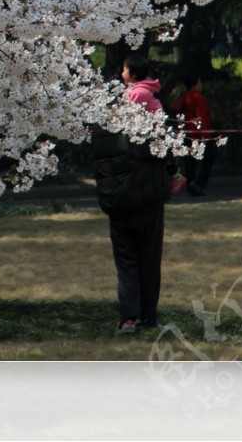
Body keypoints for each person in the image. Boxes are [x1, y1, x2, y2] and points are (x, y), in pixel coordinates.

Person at [91, 121, 173, 335]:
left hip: (115, 202)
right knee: (149, 260)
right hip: (144, 198)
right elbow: (160, 150)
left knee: (126, 264)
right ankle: (148, 316)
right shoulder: (139, 120)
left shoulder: (100, 125)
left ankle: (128, 318)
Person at [121, 55, 186, 196]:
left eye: (124, 70)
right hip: (151, 128)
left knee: (160, 154)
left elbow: (127, 112)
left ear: (134, 74)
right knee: (162, 156)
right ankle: (176, 177)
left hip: (154, 128)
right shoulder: (136, 90)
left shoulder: (139, 92)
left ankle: (176, 177)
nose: (122, 73)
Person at [170, 73, 215, 196]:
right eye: (200, 82)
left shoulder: (183, 96)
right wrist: (206, 135)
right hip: (198, 133)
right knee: (207, 158)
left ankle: (191, 186)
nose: (201, 85)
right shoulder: (197, 97)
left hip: (186, 133)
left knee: (189, 162)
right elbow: (203, 117)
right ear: (194, 84)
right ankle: (198, 183)